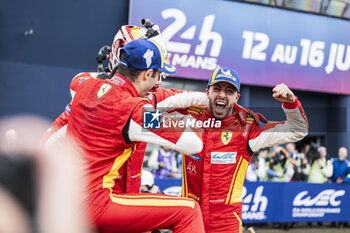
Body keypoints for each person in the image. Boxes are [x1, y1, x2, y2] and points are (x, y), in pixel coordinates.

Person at [65, 38, 207, 233]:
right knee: (189, 210)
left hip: (63, 199)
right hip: (94, 205)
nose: (158, 82)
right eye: (158, 76)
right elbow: (194, 144)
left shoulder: (85, 85)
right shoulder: (134, 110)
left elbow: (79, 78)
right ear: (147, 74)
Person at [177, 67, 309, 232]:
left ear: (236, 98)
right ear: (207, 92)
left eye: (229, 91)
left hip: (226, 224)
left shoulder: (248, 127)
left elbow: (298, 130)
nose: (222, 95)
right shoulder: (187, 117)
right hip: (189, 219)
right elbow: (144, 120)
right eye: (217, 88)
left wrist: (291, 102)